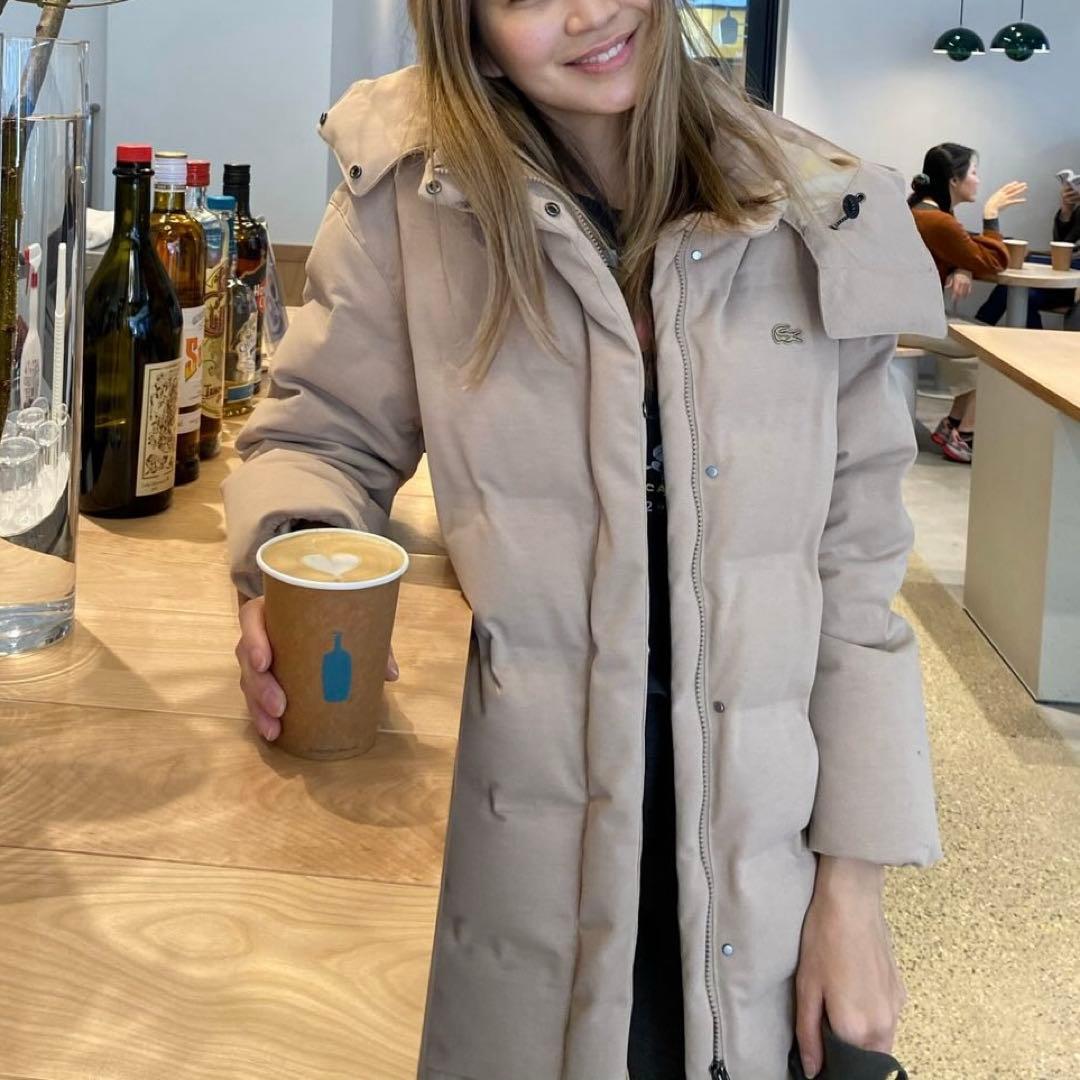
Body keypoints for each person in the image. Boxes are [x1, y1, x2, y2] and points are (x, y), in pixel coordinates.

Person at [224, 2, 946, 1077]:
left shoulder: (817, 208)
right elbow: (319, 436)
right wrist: (294, 564)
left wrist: (853, 891)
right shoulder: (412, 198)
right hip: (519, 853)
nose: (591, 11)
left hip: (759, 860)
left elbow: (855, 581)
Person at [907, 143, 1026, 463]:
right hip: (910, 322)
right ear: (954, 180)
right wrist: (992, 214)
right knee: (996, 348)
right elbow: (993, 261)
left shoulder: (924, 209)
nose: (978, 179)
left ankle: (954, 425)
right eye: (974, 172)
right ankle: (966, 435)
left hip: (905, 316)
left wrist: (962, 266)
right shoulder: (938, 220)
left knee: (981, 342)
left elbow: (962, 248)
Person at [974, 180, 1080, 330]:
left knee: (1019, 273)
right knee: (1017, 292)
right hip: (1069, 277)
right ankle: (979, 329)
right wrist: (1066, 211)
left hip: (1074, 282)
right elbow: (1064, 244)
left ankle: (978, 328)